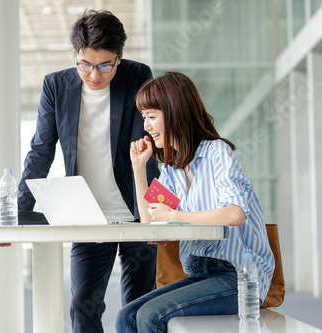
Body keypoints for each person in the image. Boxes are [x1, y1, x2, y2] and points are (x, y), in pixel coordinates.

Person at [18, 9, 160, 333]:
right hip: (87, 213)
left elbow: (146, 152)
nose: (94, 74)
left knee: (139, 306)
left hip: (137, 209)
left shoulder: (138, 77)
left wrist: (156, 212)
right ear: (75, 55)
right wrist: (16, 214)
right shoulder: (56, 86)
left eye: (105, 65)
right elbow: (40, 152)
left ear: (120, 58)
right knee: (83, 304)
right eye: (86, 64)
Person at [115, 72, 275, 332]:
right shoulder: (172, 168)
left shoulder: (217, 152)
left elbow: (235, 214)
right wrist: (138, 167)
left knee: (150, 317)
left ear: (175, 112)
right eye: (144, 117)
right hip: (201, 273)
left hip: (238, 276)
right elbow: (150, 223)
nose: (146, 126)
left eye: (152, 116)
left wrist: (175, 216)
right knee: (127, 316)